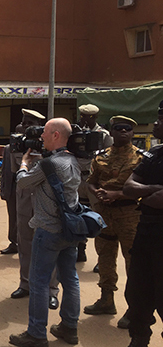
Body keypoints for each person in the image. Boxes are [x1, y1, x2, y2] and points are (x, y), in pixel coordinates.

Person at [9, 118, 81, 347]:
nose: (41, 137)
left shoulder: (49, 164)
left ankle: (36, 333)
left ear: (57, 135)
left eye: (45, 133)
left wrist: (23, 163)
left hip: (47, 231)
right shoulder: (73, 159)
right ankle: (69, 328)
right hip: (70, 230)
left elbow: (22, 183)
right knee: (70, 279)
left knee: (39, 282)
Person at [84, 116, 144, 329]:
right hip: (105, 215)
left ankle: (134, 308)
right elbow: (90, 182)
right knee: (105, 258)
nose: (123, 132)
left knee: (133, 263)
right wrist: (98, 193)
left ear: (132, 133)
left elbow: (144, 190)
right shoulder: (100, 157)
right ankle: (106, 300)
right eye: (118, 129)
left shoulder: (141, 159)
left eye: (127, 129)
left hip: (130, 216)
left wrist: (117, 194)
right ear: (111, 132)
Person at [122, 103, 163, 347]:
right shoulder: (155, 154)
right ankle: (139, 338)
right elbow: (128, 187)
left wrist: (144, 192)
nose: (156, 124)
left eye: (160, 119)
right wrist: (153, 189)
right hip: (145, 233)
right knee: (137, 292)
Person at [10, 109, 60, 310]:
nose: (24, 126)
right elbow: (15, 172)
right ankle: (25, 284)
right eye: (23, 122)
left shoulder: (51, 146)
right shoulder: (19, 145)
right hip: (24, 201)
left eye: (29, 123)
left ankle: (51, 290)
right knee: (25, 244)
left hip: (46, 204)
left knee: (50, 248)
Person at [76, 104, 114, 262]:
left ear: (95, 118)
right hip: (78, 179)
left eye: (88, 117)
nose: (84, 119)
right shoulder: (76, 132)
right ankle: (80, 249)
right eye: (82, 116)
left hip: (94, 180)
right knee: (78, 214)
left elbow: (109, 156)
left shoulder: (103, 134)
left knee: (99, 216)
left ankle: (102, 259)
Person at [0, 143, 18, 254]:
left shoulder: (39, 146)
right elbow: (5, 170)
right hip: (12, 188)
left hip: (32, 188)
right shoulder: (8, 148)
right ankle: (14, 243)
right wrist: (4, 189)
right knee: (13, 217)